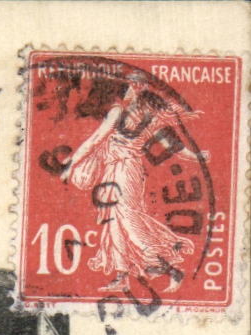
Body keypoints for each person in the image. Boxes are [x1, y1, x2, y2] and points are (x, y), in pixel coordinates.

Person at [58, 76, 200, 293]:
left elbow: (96, 139)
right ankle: (123, 275)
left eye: (132, 86)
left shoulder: (121, 113)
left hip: (124, 170)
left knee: (128, 219)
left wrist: (71, 164)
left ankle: (168, 268)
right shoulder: (147, 117)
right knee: (113, 220)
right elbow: (174, 146)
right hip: (119, 169)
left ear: (136, 90)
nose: (128, 90)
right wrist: (199, 156)